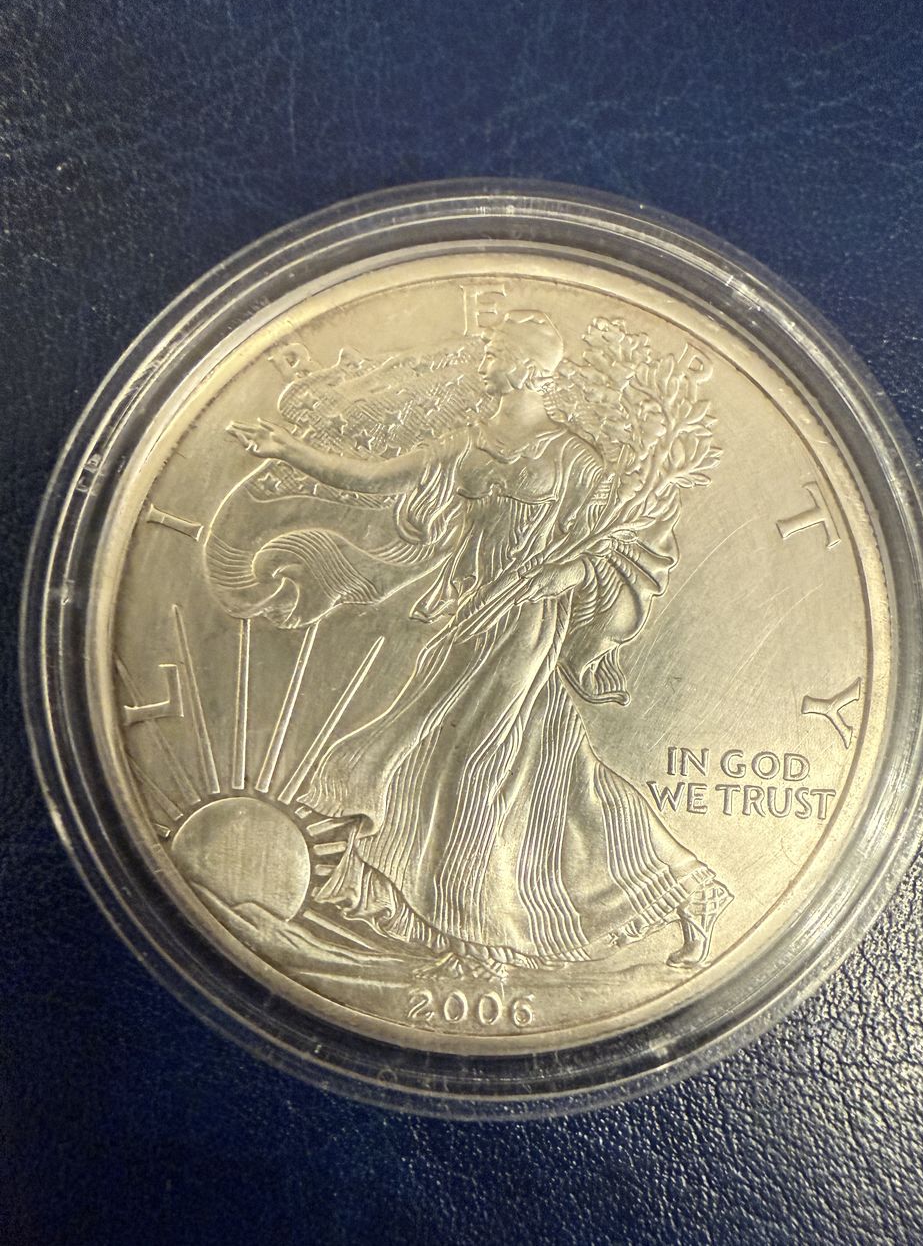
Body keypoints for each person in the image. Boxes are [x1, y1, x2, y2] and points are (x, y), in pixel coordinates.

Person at [229, 311, 731, 978]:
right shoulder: (468, 443)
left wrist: (562, 573)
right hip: (468, 623)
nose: (484, 359)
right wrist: (290, 451)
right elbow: (376, 476)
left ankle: (481, 943)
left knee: (475, 771)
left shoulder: (573, 458)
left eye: (495, 352)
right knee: (536, 777)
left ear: (524, 368)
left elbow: (618, 548)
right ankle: (685, 890)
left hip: (526, 626)